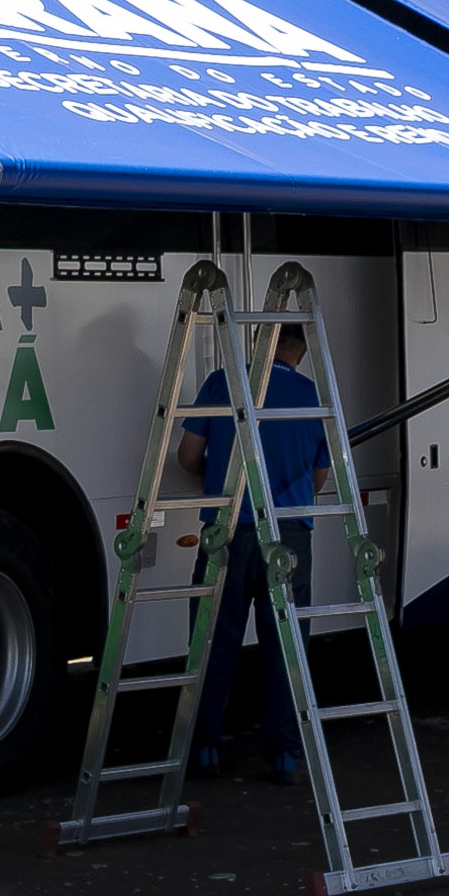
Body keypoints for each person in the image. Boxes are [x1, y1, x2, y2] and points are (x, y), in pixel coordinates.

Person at [176, 325, 334, 783]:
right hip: (289, 538)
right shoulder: (313, 397)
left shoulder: (222, 382)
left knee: (212, 642)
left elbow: (188, 455)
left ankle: (204, 748)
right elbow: (319, 481)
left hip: (226, 531)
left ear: (261, 342)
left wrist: (220, 482)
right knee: (286, 647)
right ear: (300, 353)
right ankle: (285, 753)